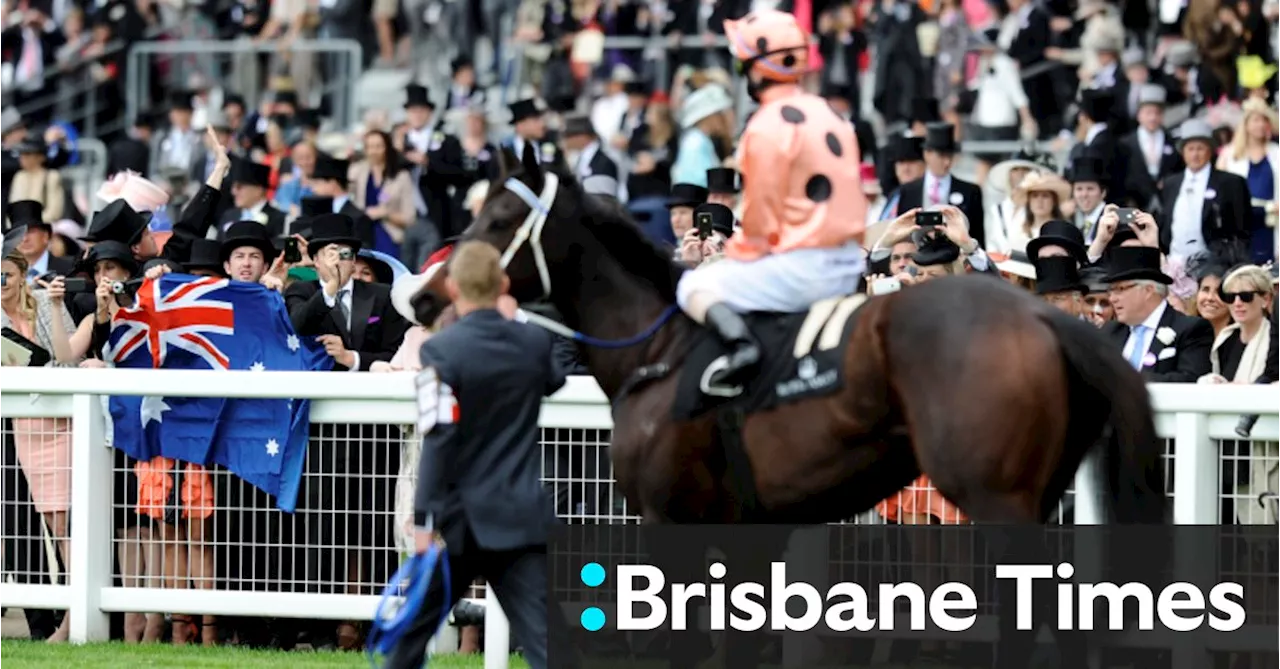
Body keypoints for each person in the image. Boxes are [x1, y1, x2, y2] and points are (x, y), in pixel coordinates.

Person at [387, 241, 564, 669]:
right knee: (548, 644)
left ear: (452, 287)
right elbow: (554, 380)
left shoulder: (440, 350)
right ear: (503, 284)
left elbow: (438, 438)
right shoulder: (533, 341)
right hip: (520, 513)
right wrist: (513, 322)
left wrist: (425, 516)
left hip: (460, 518)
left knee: (408, 640)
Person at [675, 8, 866, 388]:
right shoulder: (832, 113)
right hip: (849, 261)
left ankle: (742, 349)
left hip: (803, 268)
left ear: (758, 68)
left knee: (693, 286)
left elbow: (759, 223)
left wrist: (729, 254)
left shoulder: (764, 125)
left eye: (742, 62)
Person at [1100, 245, 1212, 381]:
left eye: (1120, 289)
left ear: (1148, 290)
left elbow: (1191, 379)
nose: (1112, 298)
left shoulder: (1190, 330)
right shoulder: (1110, 331)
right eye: (1110, 291)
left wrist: (1128, 382)